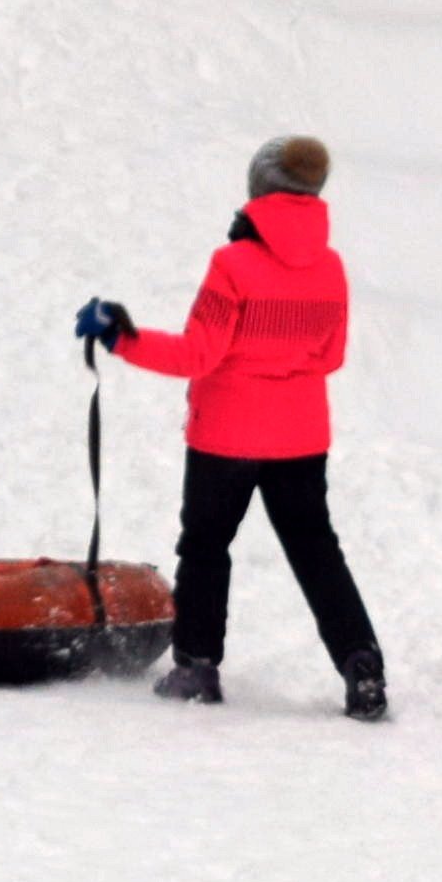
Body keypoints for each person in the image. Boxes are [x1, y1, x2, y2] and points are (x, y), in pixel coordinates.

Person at [80, 135, 383, 717]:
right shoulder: (330, 266)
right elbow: (331, 356)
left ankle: (196, 667)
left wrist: (120, 337)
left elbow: (197, 355)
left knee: (206, 547)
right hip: (300, 436)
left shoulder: (233, 264)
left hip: (226, 435)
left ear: (258, 190)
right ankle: (362, 665)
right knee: (317, 552)